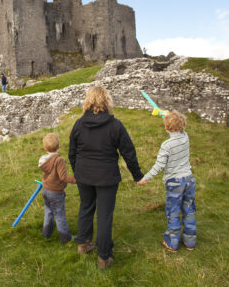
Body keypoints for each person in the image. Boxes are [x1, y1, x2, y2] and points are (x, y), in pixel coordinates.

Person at [68, 86, 144, 270]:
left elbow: (72, 153)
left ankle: (84, 245)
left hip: (85, 176)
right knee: (104, 216)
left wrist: (78, 172)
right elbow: (129, 152)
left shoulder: (79, 124)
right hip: (106, 177)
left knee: (86, 208)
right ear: (107, 101)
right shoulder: (115, 125)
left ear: (88, 101)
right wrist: (137, 176)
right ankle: (103, 257)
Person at [137, 111, 196, 253]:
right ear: (182, 125)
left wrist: (146, 177)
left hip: (175, 182)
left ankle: (172, 243)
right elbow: (177, 124)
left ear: (166, 128)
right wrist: (168, 115)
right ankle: (190, 242)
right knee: (189, 210)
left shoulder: (167, 145)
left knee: (173, 211)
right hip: (189, 179)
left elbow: (159, 165)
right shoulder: (185, 137)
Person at [38, 133, 76, 243]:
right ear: (58, 146)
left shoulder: (43, 160)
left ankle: (46, 233)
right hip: (55, 192)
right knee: (60, 215)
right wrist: (77, 179)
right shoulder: (59, 160)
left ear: (44, 147)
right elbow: (63, 177)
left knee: (48, 211)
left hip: (45, 190)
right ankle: (66, 238)